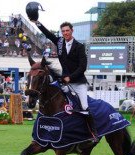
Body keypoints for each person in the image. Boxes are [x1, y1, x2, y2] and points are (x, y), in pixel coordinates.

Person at [27, 6, 98, 142]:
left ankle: (93, 133)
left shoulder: (79, 47)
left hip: (78, 82)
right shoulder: (59, 43)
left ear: (72, 31)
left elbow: (83, 67)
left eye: (67, 31)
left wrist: (70, 77)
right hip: (63, 82)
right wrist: (36, 22)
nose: (65, 33)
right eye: (63, 31)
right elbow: (48, 34)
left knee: (84, 106)